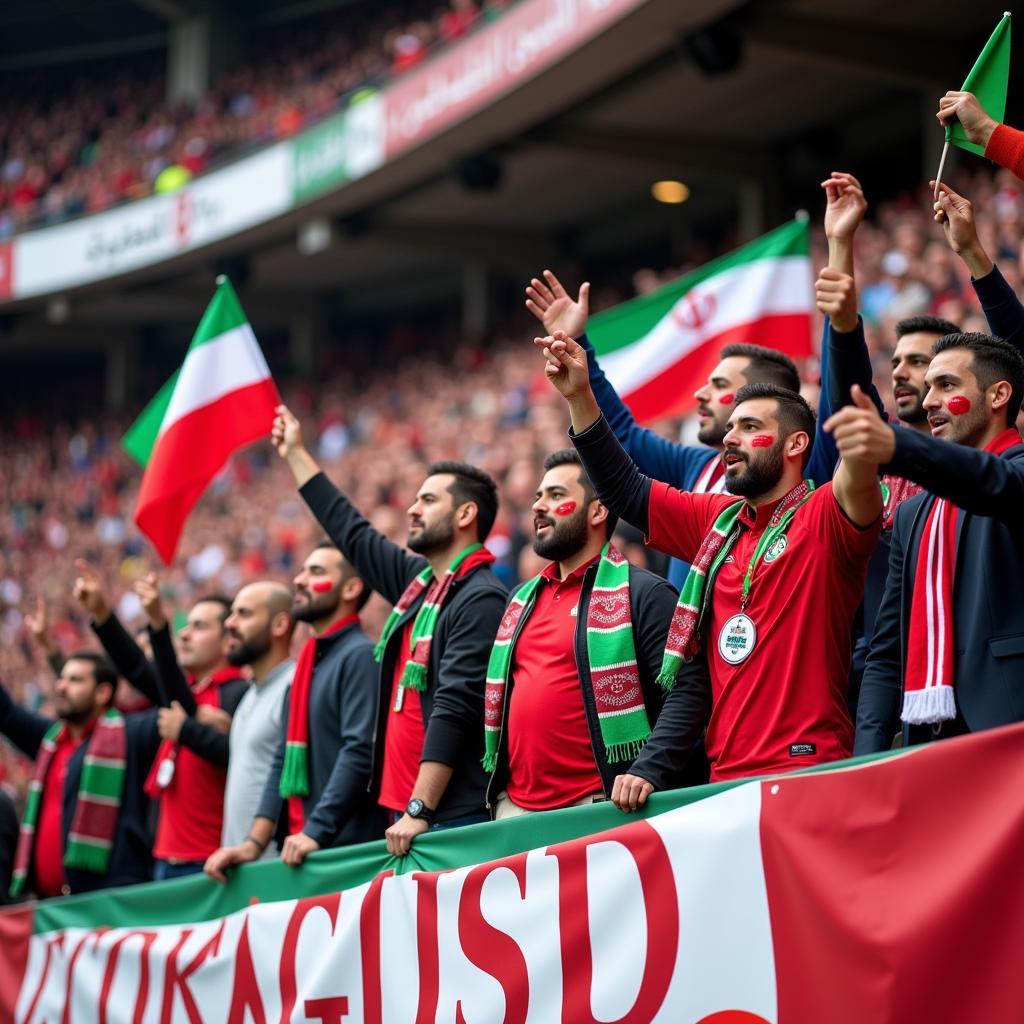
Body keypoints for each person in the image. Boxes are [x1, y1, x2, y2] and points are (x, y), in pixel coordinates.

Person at [535, 329, 882, 802]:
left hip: (808, 769)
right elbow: (625, 490)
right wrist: (579, 397)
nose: (730, 439)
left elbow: (858, 460)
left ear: (797, 444)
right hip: (722, 779)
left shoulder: (826, 515)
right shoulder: (717, 522)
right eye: (730, 426)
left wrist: (842, 322)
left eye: (748, 427)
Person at [272, 405, 507, 857]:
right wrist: (297, 455)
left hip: (449, 817)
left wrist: (421, 807)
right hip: (408, 817)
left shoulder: (479, 596)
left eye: (428, 501)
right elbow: (352, 533)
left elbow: (455, 706)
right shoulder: (419, 585)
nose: (413, 510)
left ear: (465, 515)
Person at [525, 268, 839, 589]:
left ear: (757, 395)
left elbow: (839, 396)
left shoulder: (810, 475)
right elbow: (625, 438)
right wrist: (578, 347)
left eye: (718, 386)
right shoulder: (697, 467)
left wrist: (838, 311)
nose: (700, 394)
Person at [821, 172, 1024, 650]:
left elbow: (1017, 359)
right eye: (896, 363)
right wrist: (839, 245)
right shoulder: (877, 461)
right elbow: (848, 391)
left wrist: (973, 253)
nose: (903, 375)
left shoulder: (1001, 465)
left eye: (927, 365)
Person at [828, 333, 1024, 753]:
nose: (929, 399)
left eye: (947, 385)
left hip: (1010, 736)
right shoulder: (911, 515)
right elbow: (886, 652)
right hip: (929, 744)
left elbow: (991, 482)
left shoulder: (1016, 473)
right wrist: (868, 757)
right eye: (929, 386)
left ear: (999, 395)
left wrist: (897, 446)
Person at [483, 449, 679, 818]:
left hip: (599, 806)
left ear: (597, 511)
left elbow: (685, 694)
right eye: (538, 496)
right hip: (514, 810)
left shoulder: (645, 594)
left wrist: (647, 768)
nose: (538, 506)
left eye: (556, 495)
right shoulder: (519, 600)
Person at [205, 544, 382, 880]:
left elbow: (360, 751)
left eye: (316, 572)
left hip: (346, 854)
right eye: (302, 570)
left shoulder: (360, 655)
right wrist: (254, 844)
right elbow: (282, 760)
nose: (299, 580)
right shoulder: (307, 670)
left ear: (351, 588)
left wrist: (316, 830)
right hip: (306, 850)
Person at [74, 562, 248, 880]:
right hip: (165, 861)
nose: (185, 633)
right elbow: (139, 669)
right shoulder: (189, 694)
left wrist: (187, 730)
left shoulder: (240, 693)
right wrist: (103, 612)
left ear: (228, 640)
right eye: (186, 625)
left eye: (199, 626)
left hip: (212, 865)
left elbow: (243, 759)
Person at [0, 653, 159, 897]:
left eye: (74, 680)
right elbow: (6, 713)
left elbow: (171, 702)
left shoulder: (130, 735)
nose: (60, 687)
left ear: (103, 693)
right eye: (61, 679)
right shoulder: (51, 741)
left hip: (112, 902)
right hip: (52, 910)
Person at [219, 581, 296, 853]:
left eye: (244, 613)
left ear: (279, 625)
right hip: (240, 863)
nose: (229, 623)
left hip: (274, 866)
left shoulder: (294, 685)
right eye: (232, 613)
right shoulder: (250, 696)